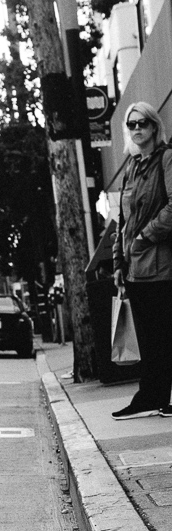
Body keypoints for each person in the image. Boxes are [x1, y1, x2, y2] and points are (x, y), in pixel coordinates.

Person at [112, 101, 172, 419]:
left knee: (164, 335)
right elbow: (121, 222)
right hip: (134, 268)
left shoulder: (166, 158)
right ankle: (150, 397)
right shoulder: (132, 167)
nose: (136, 129)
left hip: (161, 265)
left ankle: (159, 397)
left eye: (142, 123)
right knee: (148, 340)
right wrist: (117, 263)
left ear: (154, 126)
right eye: (131, 124)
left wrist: (145, 236)